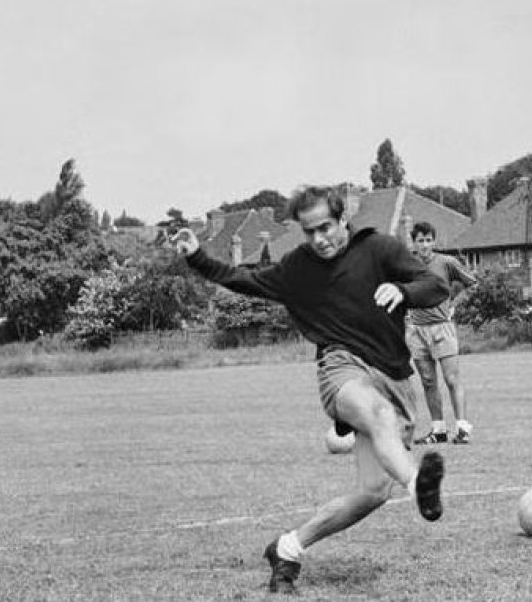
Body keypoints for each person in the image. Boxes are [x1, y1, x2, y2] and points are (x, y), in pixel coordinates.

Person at [172, 186, 450, 595]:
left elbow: (436, 286)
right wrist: (196, 256)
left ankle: (288, 547)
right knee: (377, 413)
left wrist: (403, 291)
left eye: (325, 227)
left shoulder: (378, 249)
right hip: (342, 368)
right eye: (309, 231)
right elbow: (242, 278)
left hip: (394, 374)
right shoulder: (298, 268)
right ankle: (418, 485)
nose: (319, 239)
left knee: (372, 492)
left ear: (342, 221)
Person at [406, 221, 479, 445]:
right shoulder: (406, 264)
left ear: (434, 241)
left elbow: (472, 284)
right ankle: (437, 430)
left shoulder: (447, 263)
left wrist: (455, 304)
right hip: (417, 331)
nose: (425, 245)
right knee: (428, 381)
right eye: (421, 240)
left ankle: (463, 428)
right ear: (414, 243)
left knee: (451, 378)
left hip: (442, 328)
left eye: (429, 240)